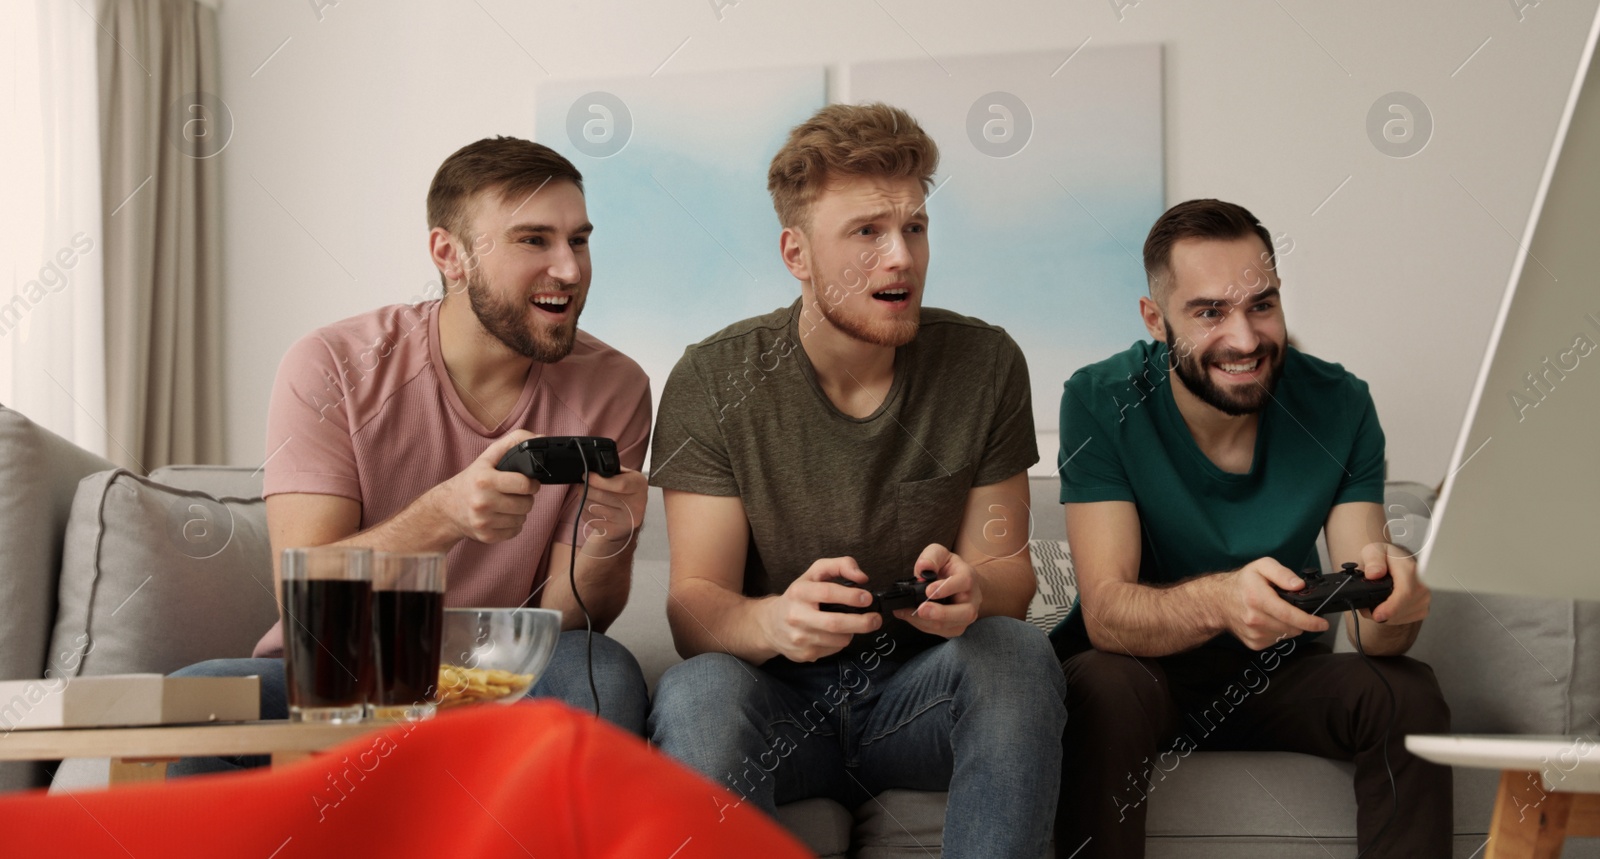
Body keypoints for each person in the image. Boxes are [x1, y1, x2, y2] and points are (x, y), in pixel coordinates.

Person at [646, 103, 1067, 859]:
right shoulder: (713, 377)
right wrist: (775, 621)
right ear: (796, 254)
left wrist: (973, 590)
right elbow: (694, 608)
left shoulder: (987, 364)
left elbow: (1007, 574)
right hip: (777, 707)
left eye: (914, 227)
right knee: (697, 688)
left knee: (1015, 653)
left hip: (919, 700)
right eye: (867, 231)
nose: (901, 257)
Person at [172, 137, 653, 772]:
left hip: (498, 679)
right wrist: (445, 515)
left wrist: (611, 535)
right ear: (449, 254)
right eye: (533, 240)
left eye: (579, 240)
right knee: (197, 696)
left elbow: (566, 618)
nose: (569, 268)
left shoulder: (615, 387)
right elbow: (308, 598)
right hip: (341, 673)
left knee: (600, 670)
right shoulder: (334, 364)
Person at [1051, 199, 1451, 858]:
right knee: (1103, 685)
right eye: (1209, 312)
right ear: (1156, 320)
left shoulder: (1340, 402)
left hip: (1278, 678)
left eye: (1261, 305)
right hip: (1143, 675)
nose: (1243, 338)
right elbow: (1108, 613)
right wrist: (1221, 601)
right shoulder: (1099, 397)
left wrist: (1398, 601)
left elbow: (1374, 625)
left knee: (1405, 689)